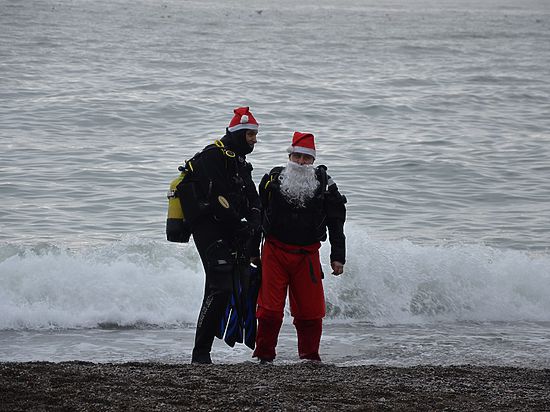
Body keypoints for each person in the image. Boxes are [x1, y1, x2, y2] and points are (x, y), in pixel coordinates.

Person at [253, 131, 347, 363]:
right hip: (274, 251)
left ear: (313, 161)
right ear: (290, 156)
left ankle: (309, 358)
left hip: (307, 254)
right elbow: (256, 216)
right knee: (269, 311)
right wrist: (251, 250)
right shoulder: (272, 180)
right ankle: (263, 356)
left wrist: (338, 257)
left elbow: (336, 222)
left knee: (311, 313)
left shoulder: (325, 184)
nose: (301, 162)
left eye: (306, 158)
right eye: (297, 157)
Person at [179, 107, 262, 364]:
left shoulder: (239, 162)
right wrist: (241, 226)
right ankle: (200, 353)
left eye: (255, 135)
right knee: (220, 288)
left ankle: (203, 352)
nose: (255, 140)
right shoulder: (212, 157)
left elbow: (251, 198)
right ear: (238, 134)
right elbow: (217, 201)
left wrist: (256, 224)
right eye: (251, 135)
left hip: (229, 231)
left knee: (224, 288)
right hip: (208, 229)